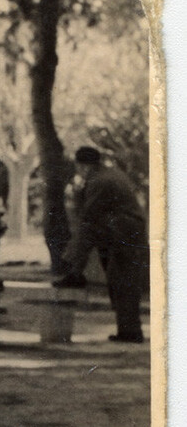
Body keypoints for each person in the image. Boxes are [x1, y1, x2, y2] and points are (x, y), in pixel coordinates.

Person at [54, 145, 148, 343]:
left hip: (124, 231)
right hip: (126, 230)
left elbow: (89, 215)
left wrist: (74, 256)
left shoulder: (99, 180)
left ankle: (74, 272)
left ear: (83, 166)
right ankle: (129, 331)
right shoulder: (110, 174)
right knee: (121, 280)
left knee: (123, 281)